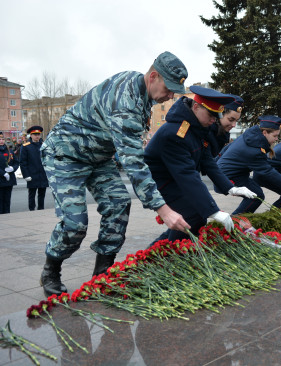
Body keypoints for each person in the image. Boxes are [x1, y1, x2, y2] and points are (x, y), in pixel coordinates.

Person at [39, 51, 191, 297]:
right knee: (75, 224)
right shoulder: (126, 101)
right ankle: (51, 269)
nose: (170, 96)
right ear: (153, 77)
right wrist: (164, 210)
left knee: (119, 203)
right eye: (169, 88)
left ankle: (103, 273)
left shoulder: (142, 93)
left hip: (98, 158)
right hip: (65, 155)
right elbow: (133, 161)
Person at [144, 86, 256, 242]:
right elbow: (186, 175)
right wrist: (214, 211)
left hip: (175, 179)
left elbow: (207, 161)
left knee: (194, 217)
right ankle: (162, 256)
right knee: (192, 216)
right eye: (211, 115)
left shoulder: (196, 127)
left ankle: (166, 252)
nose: (213, 120)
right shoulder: (176, 132)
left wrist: (230, 188)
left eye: (216, 116)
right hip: (160, 182)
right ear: (196, 107)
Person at [217, 115, 281, 215]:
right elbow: (268, 171)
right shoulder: (254, 149)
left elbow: (226, 149)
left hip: (235, 173)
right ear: (265, 133)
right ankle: (236, 222)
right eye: (275, 136)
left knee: (256, 194)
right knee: (256, 196)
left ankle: (241, 221)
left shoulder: (251, 137)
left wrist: (216, 162)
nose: (276, 139)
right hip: (227, 176)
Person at [19, 126, 49, 210]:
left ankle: (41, 210)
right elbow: (23, 162)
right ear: (31, 135)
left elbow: (48, 160)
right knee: (32, 194)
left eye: (38, 134)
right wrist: (26, 175)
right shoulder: (26, 146)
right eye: (35, 134)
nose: (37, 136)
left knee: (42, 194)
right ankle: (31, 211)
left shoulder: (44, 145)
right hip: (32, 175)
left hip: (42, 174)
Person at [0, 132, 19, 214]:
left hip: (9, 180)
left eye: (2, 139)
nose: (1, 141)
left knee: (7, 200)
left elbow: (16, 162)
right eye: (0, 139)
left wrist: (12, 168)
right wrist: (3, 173)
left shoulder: (9, 150)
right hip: (0, 179)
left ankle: (7, 216)